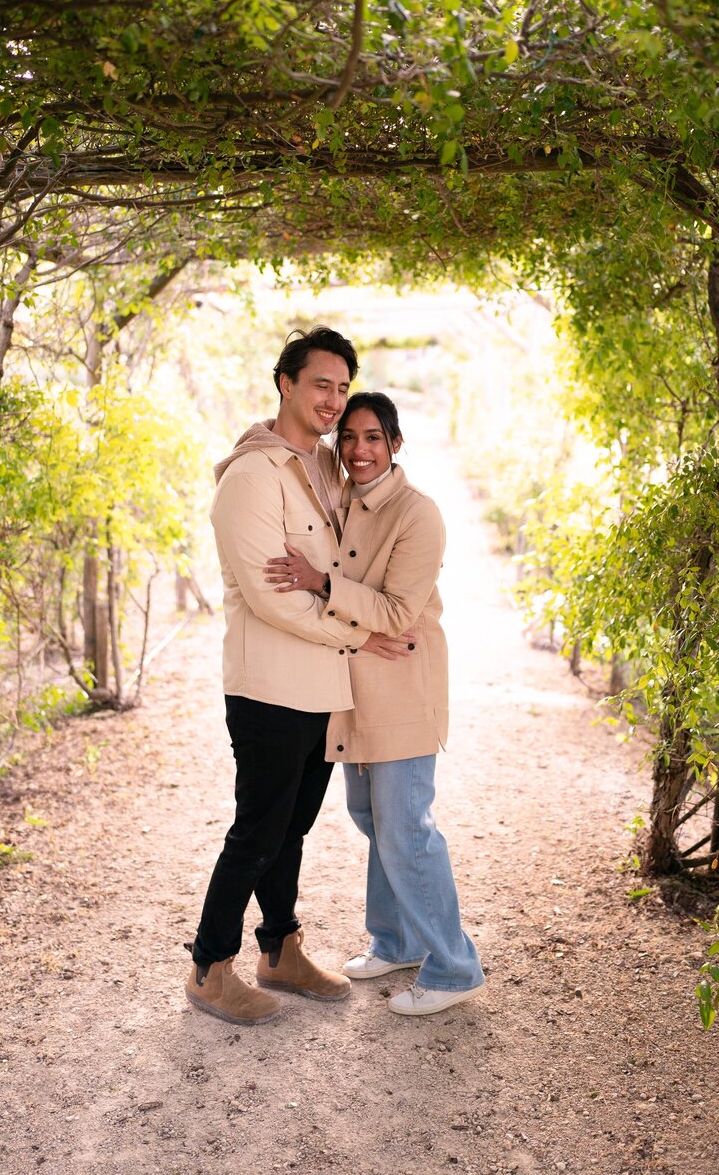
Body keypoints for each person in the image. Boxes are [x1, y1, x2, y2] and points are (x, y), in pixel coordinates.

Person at [186, 330, 414, 1026]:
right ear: (284, 382)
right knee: (257, 830)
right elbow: (272, 597)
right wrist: (363, 630)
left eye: (343, 388)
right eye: (321, 384)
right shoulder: (251, 477)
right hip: (267, 689)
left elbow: (341, 563)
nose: (333, 401)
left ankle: (280, 951)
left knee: (293, 829)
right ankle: (208, 967)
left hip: (321, 687)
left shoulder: (324, 465)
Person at [265, 391, 485, 1017]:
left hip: (403, 692)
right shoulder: (344, 502)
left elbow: (397, 614)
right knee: (374, 821)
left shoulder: (419, 514)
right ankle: (398, 940)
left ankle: (454, 967)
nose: (360, 450)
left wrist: (322, 583)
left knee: (406, 830)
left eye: (374, 438)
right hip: (354, 695)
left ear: (395, 443)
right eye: (351, 438)